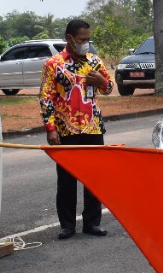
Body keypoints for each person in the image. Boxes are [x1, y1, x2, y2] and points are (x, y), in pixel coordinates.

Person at [40, 19, 114, 240]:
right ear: (70, 39)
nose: (86, 44)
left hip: (92, 128)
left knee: (94, 177)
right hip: (65, 130)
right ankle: (67, 225)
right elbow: (46, 97)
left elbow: (109, 88)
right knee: (66, 179)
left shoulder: (94, 61)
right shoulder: (53, 64)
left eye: (88, 40)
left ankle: (92, 223)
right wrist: (50, 128)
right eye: (82, 40)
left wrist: (101, 80)